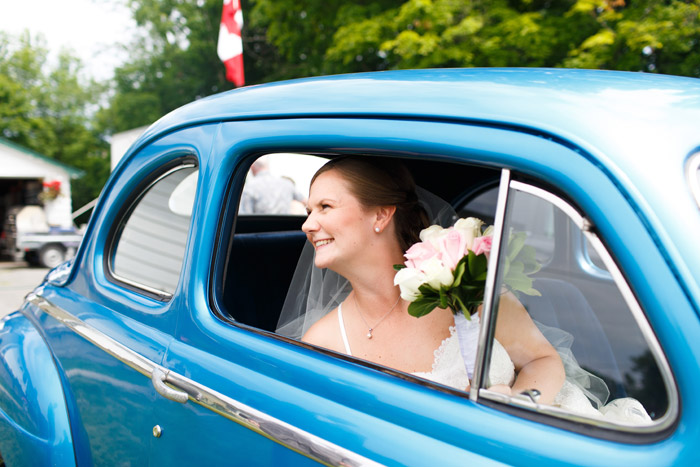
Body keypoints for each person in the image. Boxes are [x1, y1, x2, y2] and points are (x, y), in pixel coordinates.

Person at [295, 156, 566, 403]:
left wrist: (515, 408)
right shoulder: (321, 341)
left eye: (325, 207)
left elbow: (542, 359)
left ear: (380, 215)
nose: (307, 225)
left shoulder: (462, 283)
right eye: (309, 212)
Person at [239, 157, 306, 214]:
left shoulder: (249, 187)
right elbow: (306, 202)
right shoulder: (287, 183)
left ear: (252, 167)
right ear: (267, 166)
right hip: (285, 227)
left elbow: (245, 214)